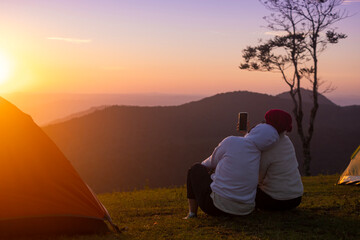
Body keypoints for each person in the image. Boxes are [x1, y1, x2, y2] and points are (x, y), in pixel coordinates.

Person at [184, 120, 279, 218]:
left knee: (195, 169)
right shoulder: (260, 154)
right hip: (245, 210)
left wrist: (206, 171)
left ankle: (192, 214)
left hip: (216, 207)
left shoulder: (231, 141)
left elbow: (209, 163)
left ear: (254, 131)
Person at [256, 109, 303, 211]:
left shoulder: (269, 146)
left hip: (276, 201)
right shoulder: (287, 141)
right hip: (296, 198)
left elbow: (258, 176)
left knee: (243, 187)